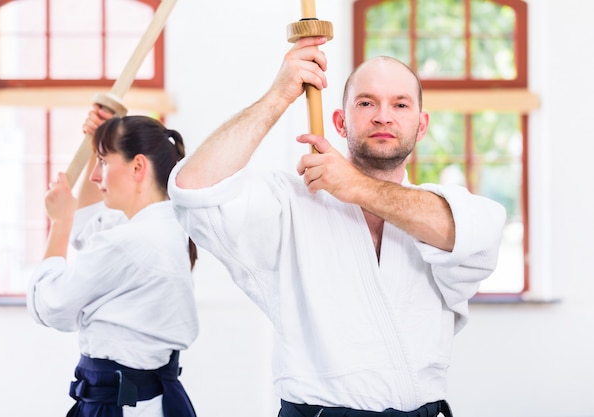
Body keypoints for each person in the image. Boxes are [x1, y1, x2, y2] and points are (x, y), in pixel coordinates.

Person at [167, 36, 506, 417]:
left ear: (421, 125)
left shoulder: (443, 208)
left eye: (400, 104)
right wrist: (277, 96)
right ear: (340, 123)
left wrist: (355, 187)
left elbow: (470, 237)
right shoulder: (292, 202)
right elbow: (193, 188)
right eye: (366, 103)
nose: (383, 116)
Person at [26, 106, 199, 417]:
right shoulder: (165, 226)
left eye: (104, 163)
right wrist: (98, 144)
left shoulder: (132, 241)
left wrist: (59, 224)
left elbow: (52, 307)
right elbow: (88, 228)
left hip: (122, 405)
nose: (94, 176)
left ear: (137, 168)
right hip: (144, 400)